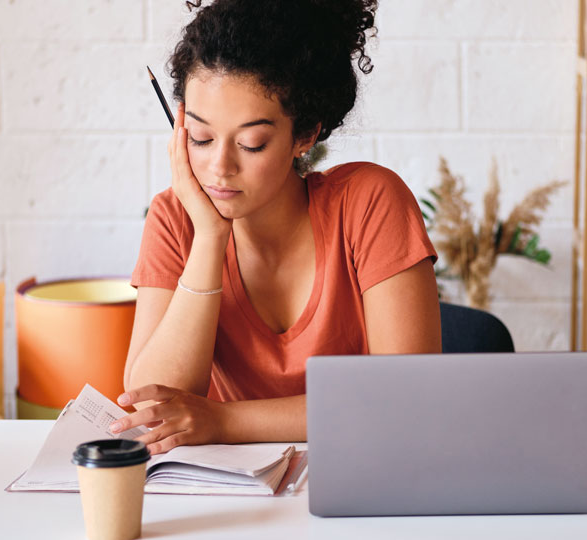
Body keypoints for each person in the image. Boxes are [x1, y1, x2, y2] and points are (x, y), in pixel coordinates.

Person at [111, 0, 441, 454]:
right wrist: (209, 239)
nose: (219, 167)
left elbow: (406, 399)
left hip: (362, 473)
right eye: (200, 138)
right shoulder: (175, 219)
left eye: (252, 144)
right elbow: (151, 403)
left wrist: (223, 421)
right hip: (236, 499)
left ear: (304, 136)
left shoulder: (369, 203)